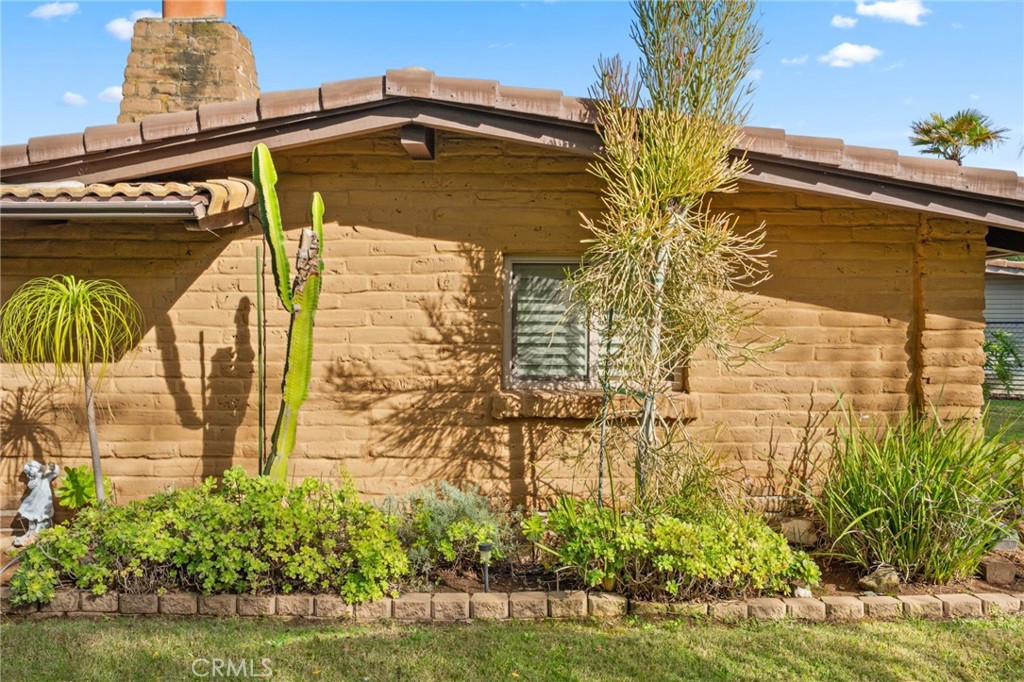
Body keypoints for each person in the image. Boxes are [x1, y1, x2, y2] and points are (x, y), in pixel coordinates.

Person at [14, 461, 60, 547]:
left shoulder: (46, 477)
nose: (31, 471)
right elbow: (31, 485)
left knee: (43, 517)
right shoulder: (33, 481)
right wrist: (36, 478)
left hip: (45, 501)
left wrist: (44, 469)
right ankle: (31, 533)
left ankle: (39, 534)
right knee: (32, 517)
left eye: (33, 468)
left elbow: (56, 469)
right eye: (29, 470)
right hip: (34, 501)